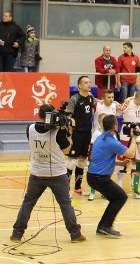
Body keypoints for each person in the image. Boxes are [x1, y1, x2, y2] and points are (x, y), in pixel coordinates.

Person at [11, 104, 85, 243]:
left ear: (39, 115)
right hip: (57, 174)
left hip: (37, 173)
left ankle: (17, 233)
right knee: (65, 204)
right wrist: (69, 132)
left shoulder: (30, 129)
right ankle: (75, 234)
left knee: (28, 203)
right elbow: (68, 150)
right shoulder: (58, 132)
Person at [88, 114, 139, 237]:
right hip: (99, 178)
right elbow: (131, 154)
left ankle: (103, 226)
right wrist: (134, 138)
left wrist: (120, 162)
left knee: (115, 198)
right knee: (121, 197)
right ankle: (105, 226)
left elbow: (103, 158)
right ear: (115, 126)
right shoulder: (111, 141)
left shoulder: (101, 137)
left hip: (93, 176)